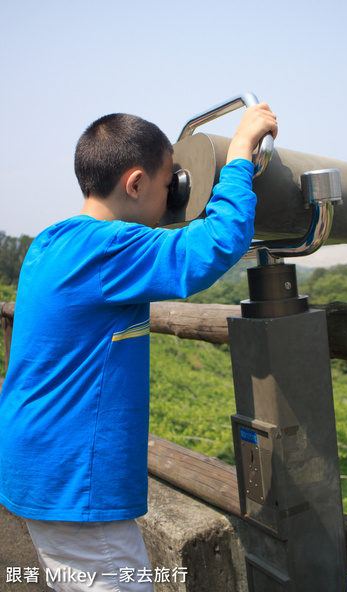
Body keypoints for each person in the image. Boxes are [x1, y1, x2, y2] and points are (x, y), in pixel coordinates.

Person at [0, 103, 278, 591]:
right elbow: (213, 245)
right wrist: (238, 155)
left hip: (37, 465)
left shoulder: (52, 242)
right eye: (170, 184)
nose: (174, 197)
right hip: (74, 481)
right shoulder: (109, 251)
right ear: (134, 184)